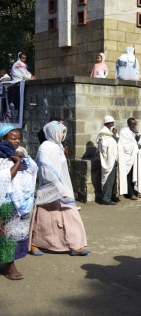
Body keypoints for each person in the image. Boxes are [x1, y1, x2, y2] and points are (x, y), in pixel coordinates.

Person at [30, 121, 89, 256]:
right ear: (52, 132)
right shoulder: (45, 148)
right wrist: (56, 185)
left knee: (70, 216)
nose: (63, 135)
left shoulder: (58, 147)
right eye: (61, 132)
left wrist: (63, 187)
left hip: (61, 188)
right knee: (44, 222)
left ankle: (74, 245)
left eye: (64, 132)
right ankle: (35, 244)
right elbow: (44, 169)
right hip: (49, 189)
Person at [0, 126, 37, 279]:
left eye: (18, 138)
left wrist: (25, 158)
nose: (17, 141)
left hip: (21, 203)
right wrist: (18, 161)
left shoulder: (19, 153)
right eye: (12, 138)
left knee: (16, 235)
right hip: (6, 203)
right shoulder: (2, 155)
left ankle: (10, 263)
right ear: (3, 140)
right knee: (7, 235)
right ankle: (10, 268)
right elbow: (6, 177)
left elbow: (33, 168)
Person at [118, 118, 141, 200]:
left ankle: (137, 191)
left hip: (136, 156)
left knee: (137, 174)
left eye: (134, 124)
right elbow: (124, 145)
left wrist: (137, 133)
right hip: (128, 157)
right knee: (129, 175)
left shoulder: (137, 132)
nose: (133, 126)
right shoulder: (124, 132)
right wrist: (135, 146)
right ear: (128, 124)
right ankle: (130, 194)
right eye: (131, 124)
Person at [96, 116, 119, 205]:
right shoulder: (104, 134)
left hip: (113, 159)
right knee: (108, 179)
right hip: (108, 161)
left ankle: (111, 196)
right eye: (112, 122)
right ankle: (106, 198)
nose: (113, 124)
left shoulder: (109, 133)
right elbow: (105, 147)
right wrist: (114, 136)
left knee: (113, 179)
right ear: (107, 123)